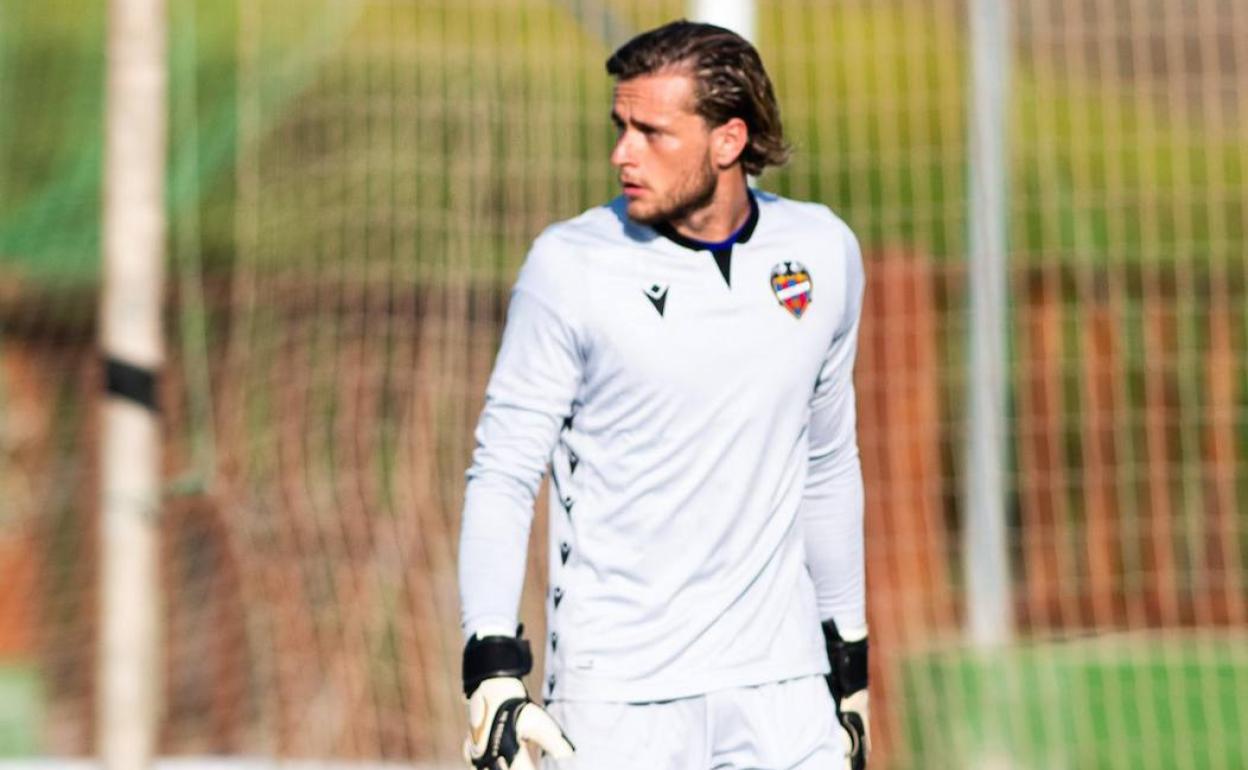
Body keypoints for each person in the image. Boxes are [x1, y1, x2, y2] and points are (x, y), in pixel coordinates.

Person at [457, 19, 868, 770]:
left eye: (651, 132)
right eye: (620, 127)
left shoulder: (821, 252)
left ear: (728, 140)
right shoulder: (569, 267)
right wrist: (491, 664)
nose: (622, 153)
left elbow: (829, 463)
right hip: (618, 700)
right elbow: (505, 471)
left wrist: (851, 666)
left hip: (782, 690)